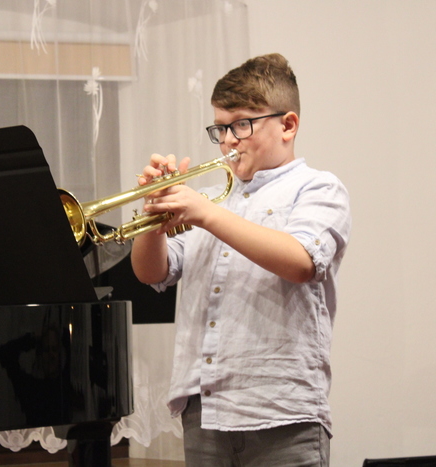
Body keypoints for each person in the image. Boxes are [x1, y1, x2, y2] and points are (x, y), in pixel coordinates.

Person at [131, 53, 351, 467]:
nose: (229, 140)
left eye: (242, 125)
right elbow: (151, 272)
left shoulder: (318, 188)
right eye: (221, 127)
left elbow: (302, 261)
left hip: (281, 408)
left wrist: (205, 214)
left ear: (288, 125)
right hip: (204, 409)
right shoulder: (211, 200)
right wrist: (152, 213)